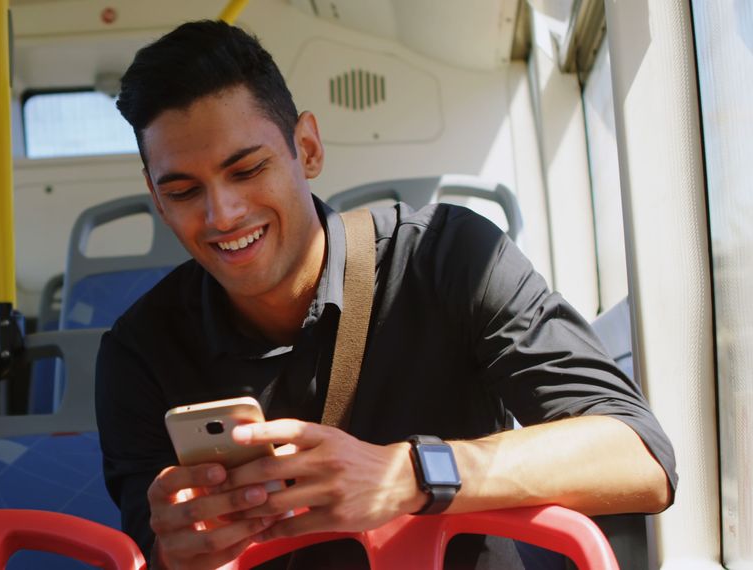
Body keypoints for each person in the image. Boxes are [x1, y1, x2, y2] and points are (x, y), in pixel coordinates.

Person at [95, 20, 675, 570]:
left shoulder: (449, 259)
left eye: (247, 170)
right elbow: (150, 547)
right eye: (184, 190)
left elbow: (639, 456)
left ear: (308, 148)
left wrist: (410, 473)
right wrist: (177, 548)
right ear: (155, 196)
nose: (223, 214)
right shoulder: (138, 352)